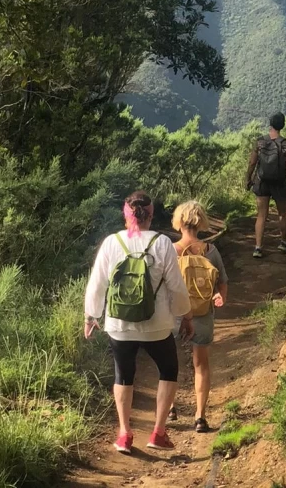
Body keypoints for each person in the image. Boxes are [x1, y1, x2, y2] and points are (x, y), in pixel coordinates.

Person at [84, 190, 193, 455]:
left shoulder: (112, 242)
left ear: (126, 215)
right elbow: (176, 287)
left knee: (123, 375)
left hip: (119, 325)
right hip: (156, 325)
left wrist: (91, 315)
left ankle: (124, 434)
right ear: (151, 215)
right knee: (168, 370)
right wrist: (185, 315)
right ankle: (158, 431)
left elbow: (97, 283)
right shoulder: (162, 242)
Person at [168, 201, 228, 433]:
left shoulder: (169, 250)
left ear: (179, 222)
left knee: (169, 363)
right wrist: (219, 298)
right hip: (202, 313)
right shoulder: (210, 251)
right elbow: (223, 281)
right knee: (201, 364)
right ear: (201, 221)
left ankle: (171, 408)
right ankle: (200, 417)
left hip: (173, 314)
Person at [245, 112, 286, 258]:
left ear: (270, 124)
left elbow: (252, 162)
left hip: (261, 181)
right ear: (282, 125)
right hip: (279, 182)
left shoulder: (260, 142)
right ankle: (284, 243)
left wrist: (248, 178)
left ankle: (258, 248)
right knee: (283, 214)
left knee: (261, 215)